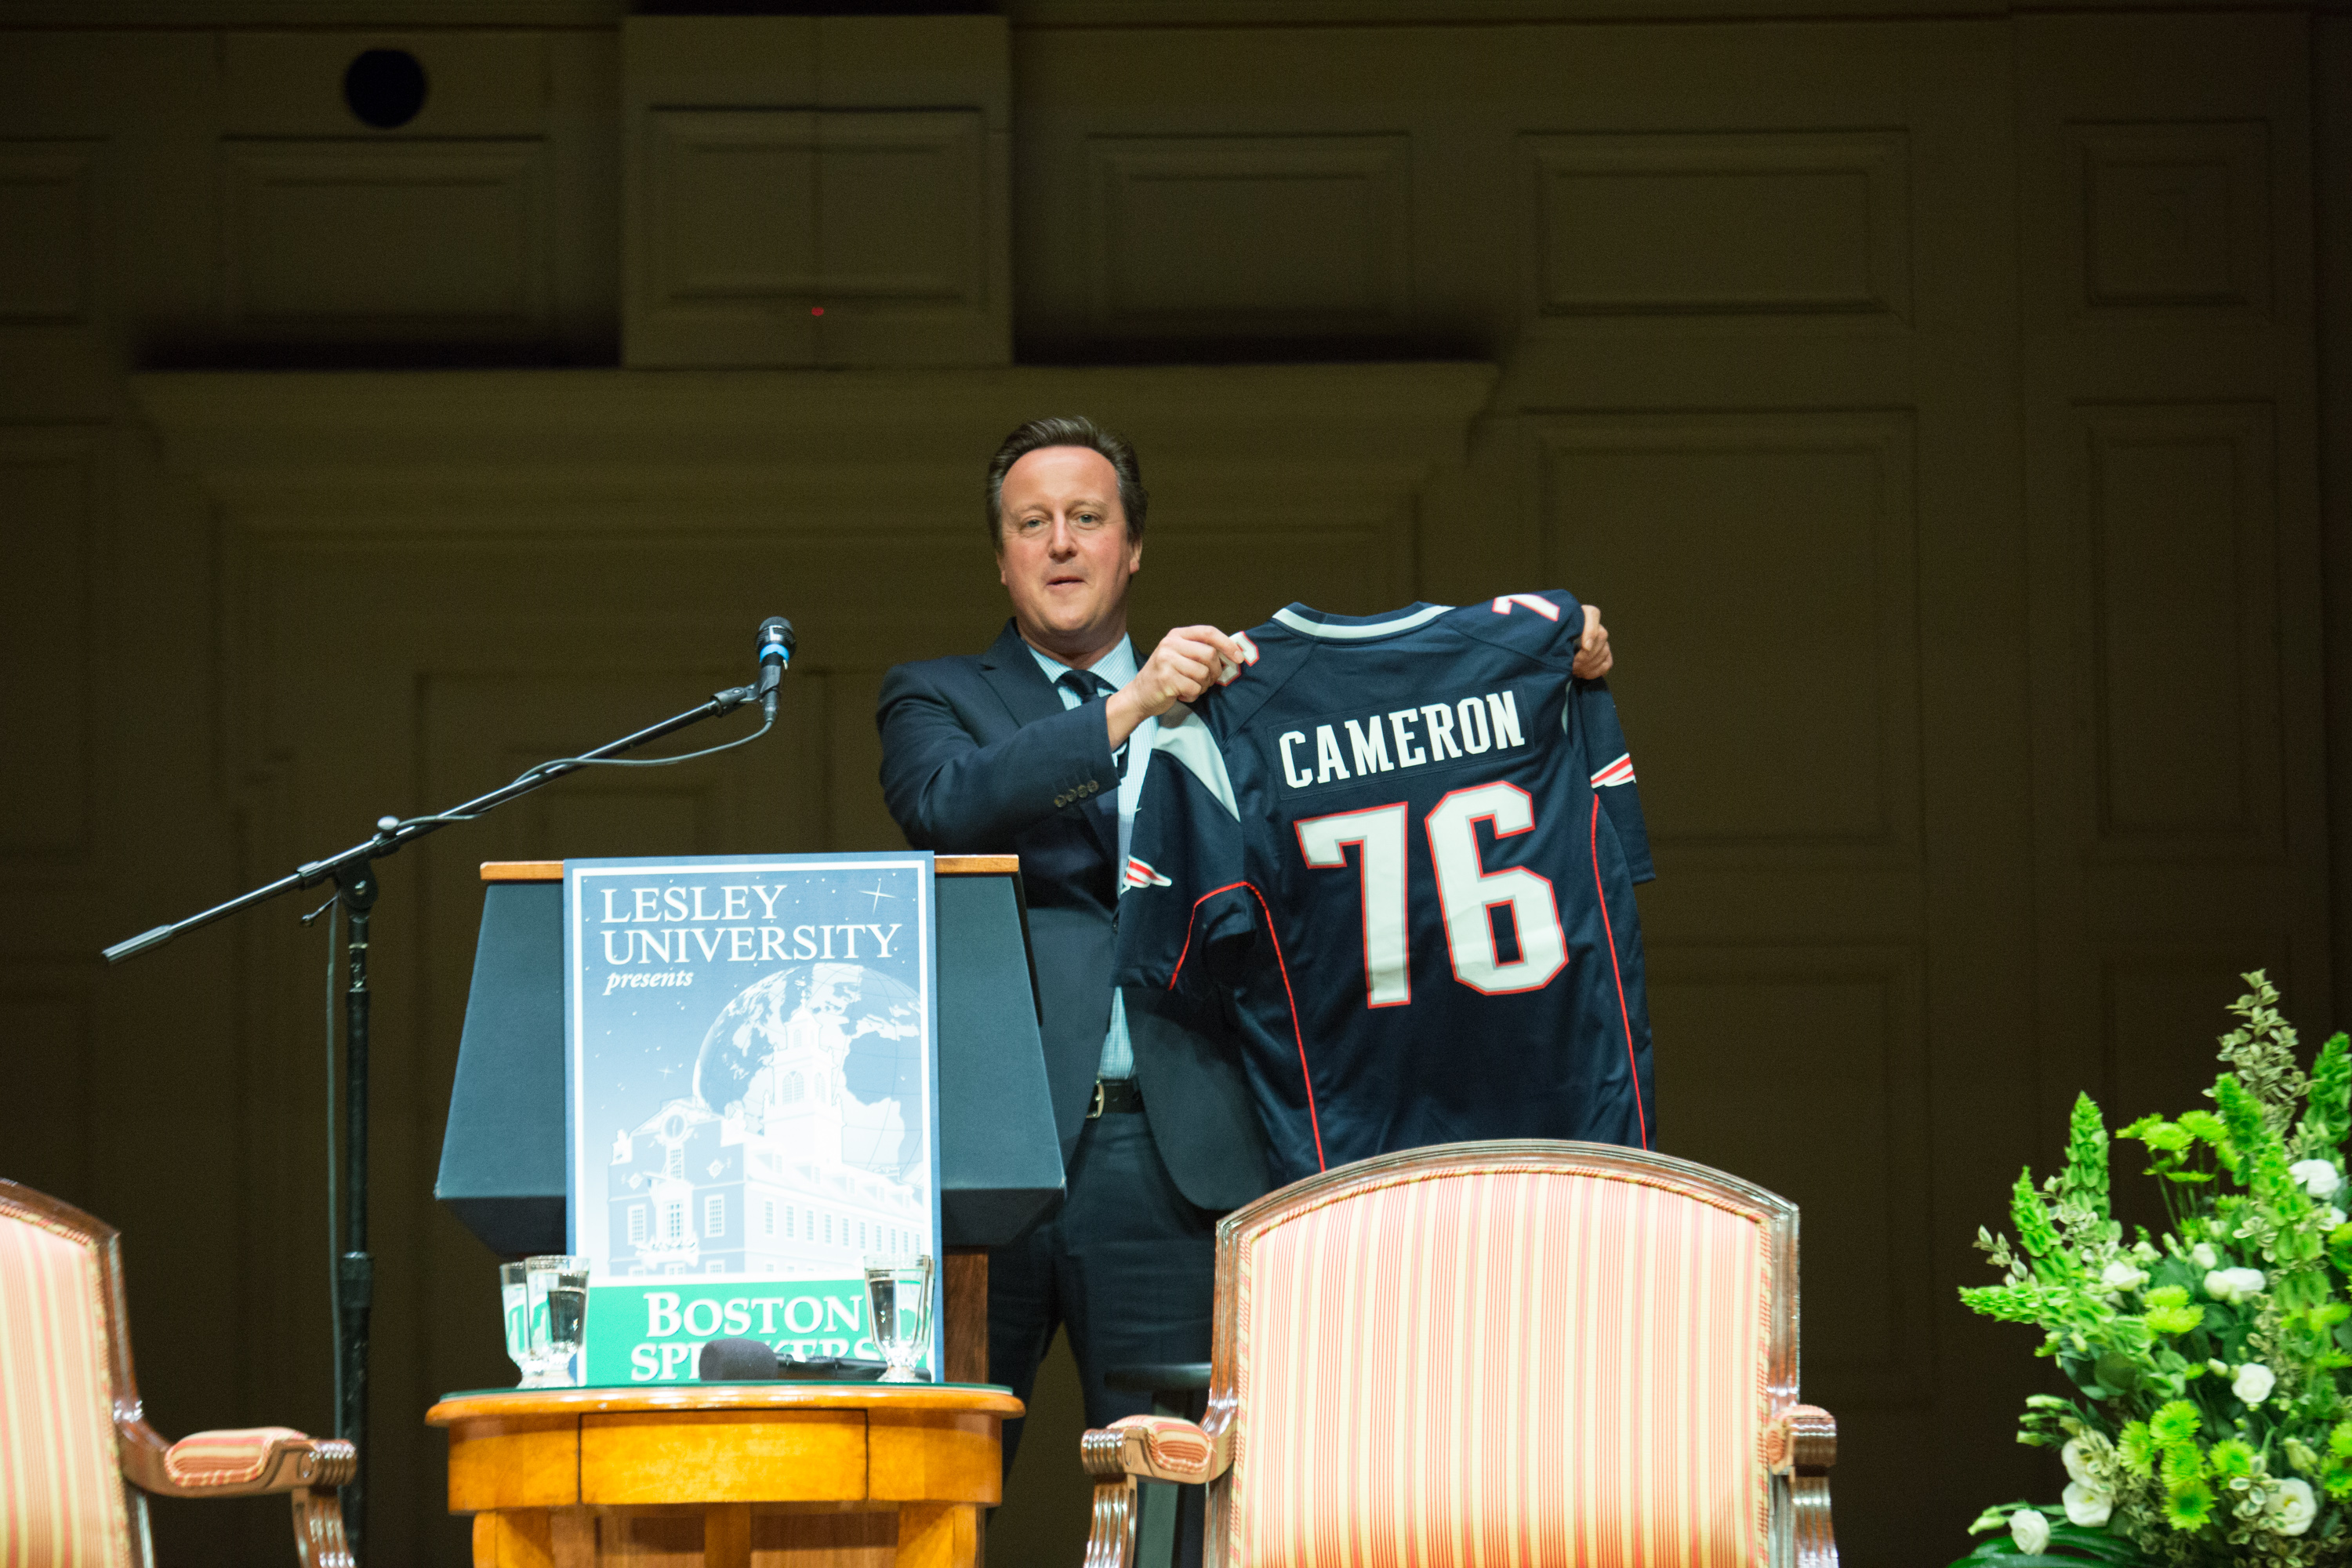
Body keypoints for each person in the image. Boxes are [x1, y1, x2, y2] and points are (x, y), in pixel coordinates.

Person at [874, 416, 1614, 1551]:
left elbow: (1391, 746)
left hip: (1174, 1154)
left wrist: (1542, 664)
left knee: (1182, 1507)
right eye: (1033, 524)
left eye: (1088, 519)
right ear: (1001, 556)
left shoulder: (1231, 698)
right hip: (990, 1165)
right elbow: (949, 803)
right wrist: (1126, 711)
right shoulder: (935, 697)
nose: (1061, 543)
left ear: (1133, 551)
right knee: (928, 1505)